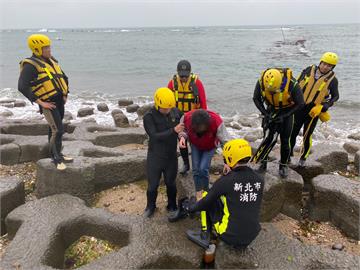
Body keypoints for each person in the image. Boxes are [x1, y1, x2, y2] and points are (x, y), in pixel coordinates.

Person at [186, 139, 264, 251]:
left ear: (230, 159)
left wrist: (190, 208)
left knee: (205, 196)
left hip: (229, 235)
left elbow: (206, 202)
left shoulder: (226, 181)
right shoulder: (259, 179)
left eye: (225, 159)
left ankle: (204, 234)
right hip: (253, 234)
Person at [18, 34, 72, 170]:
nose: (49, 50)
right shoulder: (30, 65)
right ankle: (55, 158)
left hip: (59, 101)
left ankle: (58, 153)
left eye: (49, 47)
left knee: (54, 129)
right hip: (49, 104)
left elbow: (63, 77)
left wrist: (65, 94)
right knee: (58, 130)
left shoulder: (51, 61)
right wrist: (41, 103)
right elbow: (22, 86)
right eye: (46, 47)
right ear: (37, 49)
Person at [251, 68, 304, 177]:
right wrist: (265, 113)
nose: (271, 92)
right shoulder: (261, 82)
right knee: (267, 138)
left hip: (287, 111)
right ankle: (263, 162)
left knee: (285, 140)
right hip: (270, 110)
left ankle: (283, 165)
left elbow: (300, 103)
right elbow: (256, 98)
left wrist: (285, 116)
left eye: (274, 90)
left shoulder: (292, 84)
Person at [290, 52, 339, 167]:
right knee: (293, 132)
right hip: (299, 107)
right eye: (324, 64)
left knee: (307, 135)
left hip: (314, 111)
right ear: (320, 62)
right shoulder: (308, 70)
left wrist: (326, 105)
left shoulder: (333, 80)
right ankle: (288, 154)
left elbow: (336, 96)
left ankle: (303, 158)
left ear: (332, 67)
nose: (326, 67)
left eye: (329, 66)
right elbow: (296, 84)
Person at [143, 87, 184, 219]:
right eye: (165, 109)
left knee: (171, 183)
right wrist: (174, 131)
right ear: (157, 104)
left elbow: (183, 127)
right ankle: (150, 206)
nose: (168, 111)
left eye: (169, 108)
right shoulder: (148, 117)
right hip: (155, 156)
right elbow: (154, 136)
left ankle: (172, 205)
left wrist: (182, 136)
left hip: (171, 156)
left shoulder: (175, 111)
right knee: (153, 185)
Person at [179, 109, 231, 201]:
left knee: (203, 168)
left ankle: (206, 191)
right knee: (195, 169)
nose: (199, 130)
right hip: (195, 145)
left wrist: (227, 162)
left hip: (210, 146)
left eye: (202, 129)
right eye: (197, 129)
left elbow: (226, 143)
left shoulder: (216, 121)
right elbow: (183, 130)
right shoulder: (186, 118)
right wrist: (182, 137)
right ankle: (198, 191)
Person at [168, 60, 207, 175]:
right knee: (182, 141)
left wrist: (204, 121)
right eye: (181, 76)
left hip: (195, 118)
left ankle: (199, 163)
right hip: (180, 118)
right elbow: (166, 101)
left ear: (190, 73)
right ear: (178, 73)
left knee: (197, 141)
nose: (183, 78)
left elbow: (203, 103)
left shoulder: (197, 83)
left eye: (185, 76)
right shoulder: (173, 83)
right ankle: (186, 163)